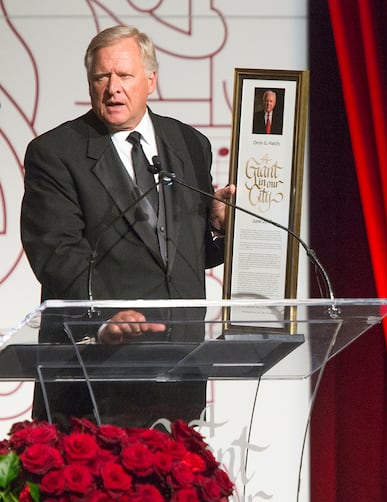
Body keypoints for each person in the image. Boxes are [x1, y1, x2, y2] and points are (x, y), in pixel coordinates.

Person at [20, 25, 235, 427]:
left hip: (181, 374)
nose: (112, 88)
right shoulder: (55, 153)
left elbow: (181, 253)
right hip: (96, 374)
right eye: (102, 77)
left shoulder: (190, 144)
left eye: (124, 75)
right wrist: (107, 317)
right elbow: (56, 253)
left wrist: (221, 228)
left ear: (151, 80)